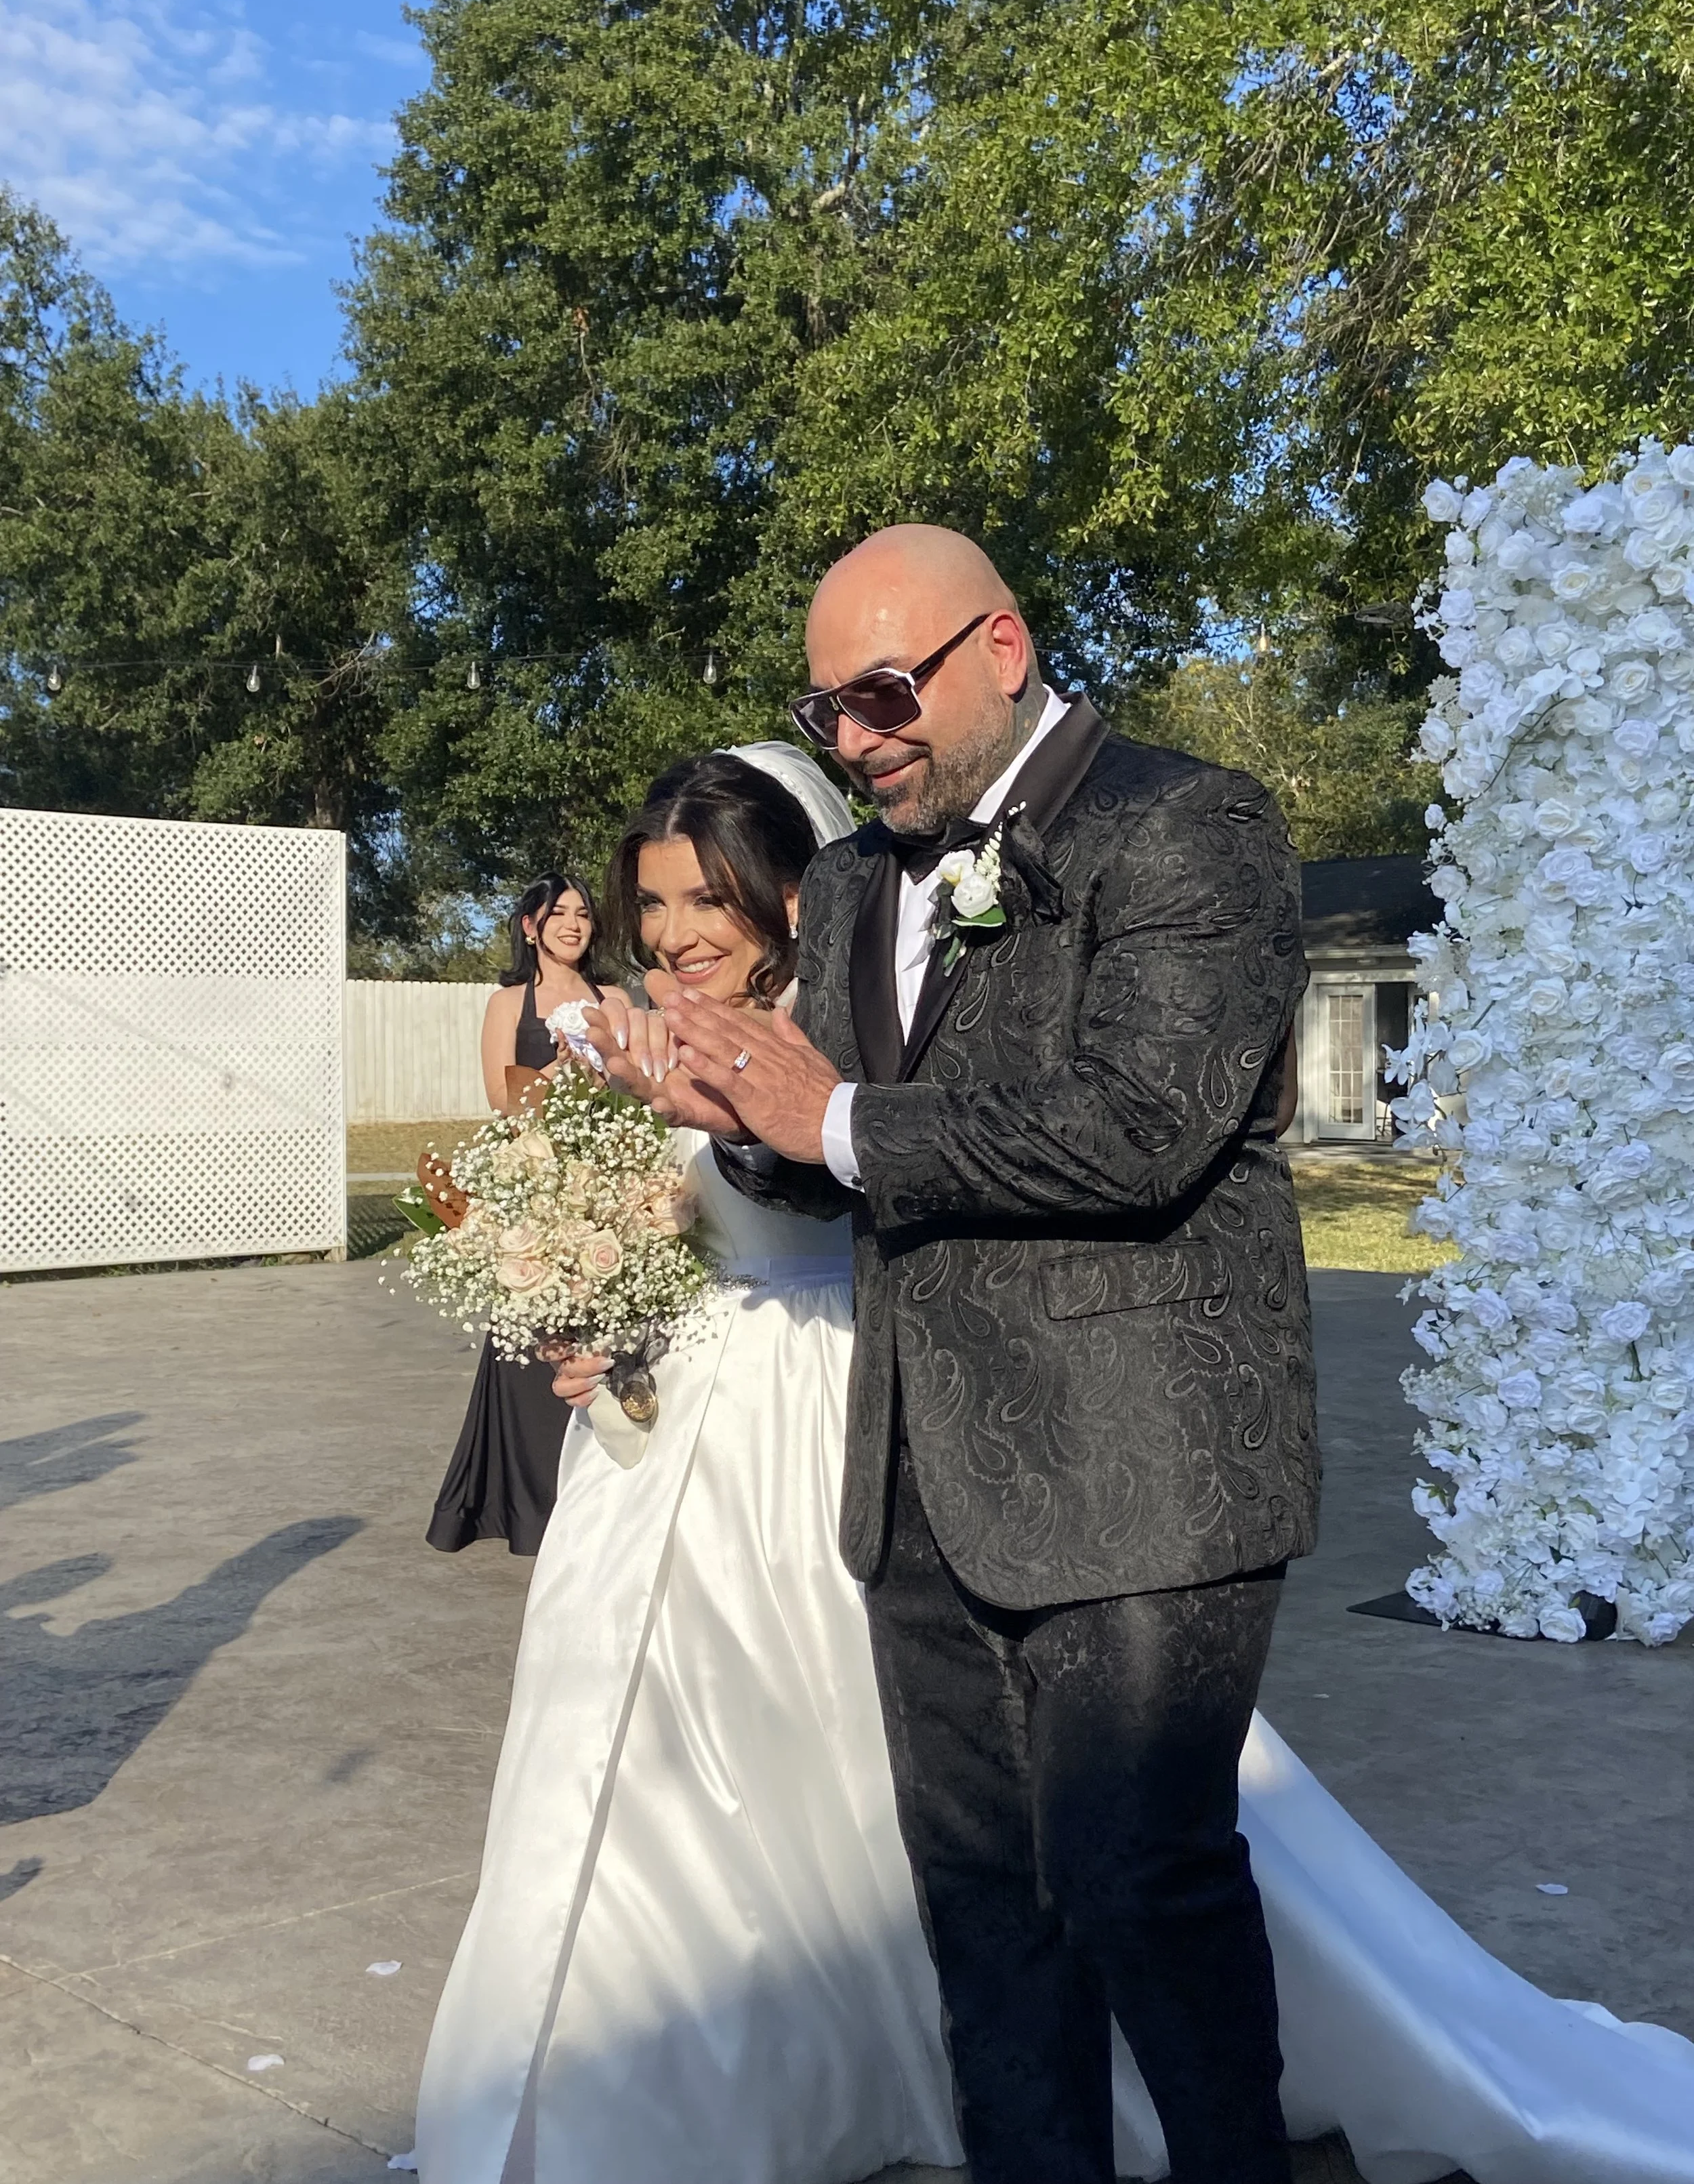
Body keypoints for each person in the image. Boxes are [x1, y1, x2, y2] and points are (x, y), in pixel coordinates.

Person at [583, 525, 1694, 2184]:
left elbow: (1144, 1126)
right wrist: (735, 1124)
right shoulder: (866, 884)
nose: (858, 737)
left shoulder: (1188, 824)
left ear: (1002, 650)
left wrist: (833, 1115)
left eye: (884, 693)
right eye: (827, 712)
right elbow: (822, 1148)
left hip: (1147, 1471)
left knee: (1137, 1885)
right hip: (919, 1483)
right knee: (986, 1921)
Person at [413, 751, 962, 2184]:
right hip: (654, 1423)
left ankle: (843, 2061)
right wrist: (592, 1311)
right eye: (650, 901)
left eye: (700, 894)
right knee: (603, 1719)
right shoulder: (618, 1035)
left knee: (809, 1727)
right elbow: (637, 1215)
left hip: (815, 1396)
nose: (669, 929)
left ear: (790, 884)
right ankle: (606, 2091)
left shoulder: (853, 1021)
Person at [426, 875, 628, 1559]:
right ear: (529, 927)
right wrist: (559, 1070)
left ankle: (604, 1495)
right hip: (531, 1182)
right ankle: (532, 1502)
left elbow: (632, 1091)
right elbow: (500, 1100)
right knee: (533, 1342)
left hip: (605, 1184)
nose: (573, 924)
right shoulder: (507, 1003)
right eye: (557, 914)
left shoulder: (617, 1000)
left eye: (582, 913)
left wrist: (599, 1072)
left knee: (602, 1343)